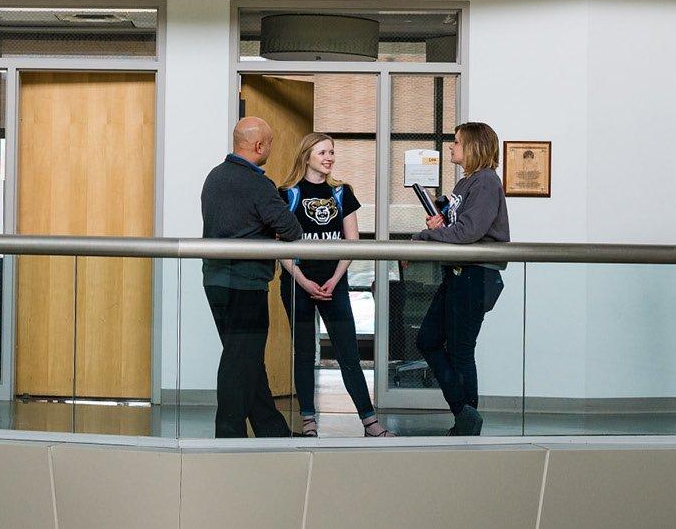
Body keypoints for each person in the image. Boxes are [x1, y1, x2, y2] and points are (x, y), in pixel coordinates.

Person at [276, 133, 391, 437]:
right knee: (303, 351)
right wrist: (302, 280)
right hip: (298, 283)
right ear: (307, 156)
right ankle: (308, 421)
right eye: (322, 152)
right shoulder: (287, 193)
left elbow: (351, 243)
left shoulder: (342, 192)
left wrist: (333, 280)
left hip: (333, 284)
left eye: (332, 152)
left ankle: (370, 421)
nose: (329, 157)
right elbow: (279, 246)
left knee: (348, 353)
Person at [201, 117, 303, 438]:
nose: (270, 149)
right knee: (238, 359)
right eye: (270, 143)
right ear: (259, 146)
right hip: (246, 284)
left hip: (215, 281)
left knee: (245, 357)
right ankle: (227, 435)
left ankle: (272, 430)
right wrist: (269, 235)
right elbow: (292, 229)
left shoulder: (214, 177)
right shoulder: (258, 184)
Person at [410, 122, 510, 436]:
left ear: (473, 147)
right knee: (427, 340)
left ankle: (467, 423)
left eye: (456, 142)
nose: (452, 147)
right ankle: (465, 414)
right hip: (459, 272)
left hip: (475, 274)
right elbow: (459, 225)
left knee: (461, 350)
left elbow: (468, 232)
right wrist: (440, 221)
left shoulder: (485, 182)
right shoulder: (468, 183)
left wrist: (428, 235)